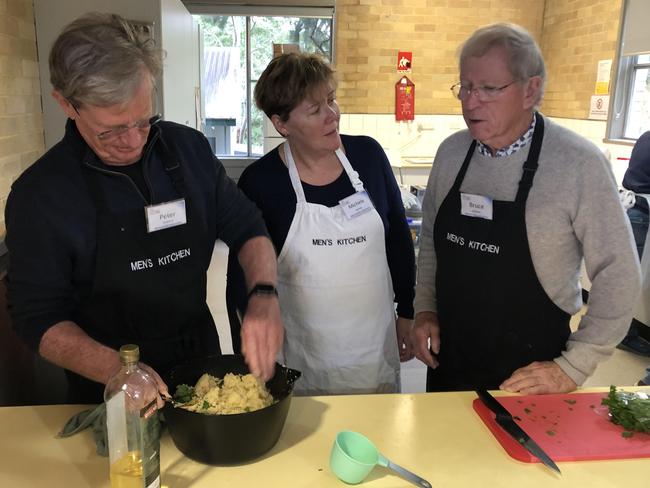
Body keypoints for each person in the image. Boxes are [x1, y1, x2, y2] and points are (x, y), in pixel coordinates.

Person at [5, 12, 283, 404]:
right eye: (112, 129)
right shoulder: (40, 195)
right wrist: (118, 372)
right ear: (66, 103)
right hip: (105, 384)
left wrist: (264, 296)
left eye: (143, 121)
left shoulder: (189, 150)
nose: (133, 141)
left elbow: (248, 227)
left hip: (200, 360)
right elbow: (37, 319)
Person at [410, 22, 641, 394]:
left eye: (488, 88)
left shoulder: (578, 163)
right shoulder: (452, 154)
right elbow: (432, 245)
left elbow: (620, 274)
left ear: (530, 90)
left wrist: (573, 367)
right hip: (449, 364)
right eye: (465, 87)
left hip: (534, 378)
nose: (470, 102)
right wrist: (425, 309)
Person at [226, 52, 416, 395]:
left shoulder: (369, 157)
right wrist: (252, 344)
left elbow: (398, 240)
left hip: (373, 350)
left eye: (331, 100)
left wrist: (408, 309)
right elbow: (241, 275)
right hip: (305, 359)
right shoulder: (262, 181)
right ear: (281, 124)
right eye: (315, 110)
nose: (332, 116)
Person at [618, 131, 650, 359]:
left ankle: (622, 333)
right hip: (642, 214)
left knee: (623, 277)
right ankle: (624, 336)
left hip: (629, 208)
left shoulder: (646, 136)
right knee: (629, 280)